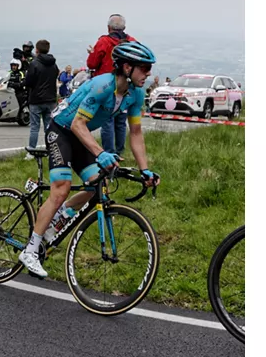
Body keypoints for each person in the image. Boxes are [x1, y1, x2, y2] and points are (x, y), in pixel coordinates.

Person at [18, 41, 160, 278]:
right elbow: (77, 124)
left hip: (78, 135)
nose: (149, 73)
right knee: (61, 188)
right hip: (62, 129)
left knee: (98, 184)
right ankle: (30, 250)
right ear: (127, 67)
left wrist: (145, 170)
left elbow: (135, 133)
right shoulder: (102, 86)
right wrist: (101, 152)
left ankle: (60, 217)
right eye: (144, 68)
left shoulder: (135, 94)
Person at [87, 14, 137, 156]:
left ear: (108, 27)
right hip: (126, 86)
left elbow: (92, 64)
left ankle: (108, 152)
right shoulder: (132, 42)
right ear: (124, 28)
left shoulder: (103, 41)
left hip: (106, 85)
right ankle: (119, 151)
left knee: (107, 120)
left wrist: (91, 53)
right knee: (120, 121)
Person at [24, 40, 59, 152]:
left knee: (34, 127)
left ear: (37, 50)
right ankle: (51, 150)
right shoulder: (53, 64)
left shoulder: (34, 63)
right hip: (51, 99)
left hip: (36, 99)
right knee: (49, 127)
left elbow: (28, 81)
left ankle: (32, 150)